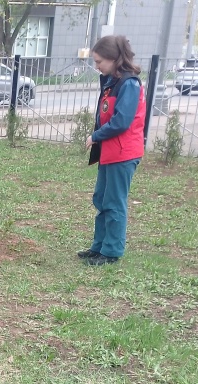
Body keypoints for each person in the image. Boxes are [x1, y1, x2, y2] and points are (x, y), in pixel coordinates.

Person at [80, 35, 145, 266]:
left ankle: (111, 252)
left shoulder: (129, 84)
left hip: (123, 154)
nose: (97, 66)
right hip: (109, 153)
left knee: (114, 202)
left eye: (99, 62)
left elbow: (121, 121)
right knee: (101, 199)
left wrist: (96, 136)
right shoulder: (112, 82)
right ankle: (99, 247)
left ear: (114, 58)